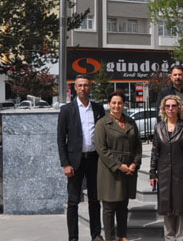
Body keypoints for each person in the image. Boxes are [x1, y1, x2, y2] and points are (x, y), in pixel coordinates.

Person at [57, 74, 106, 241]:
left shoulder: (98, 109)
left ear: (90, 87)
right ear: (75, 88)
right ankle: (73, 237)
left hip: (94, 160)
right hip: (74, 162)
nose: (83, 88)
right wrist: (65, 163)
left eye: (86, 85)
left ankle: (96, 234)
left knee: (95, 200)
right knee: (73, 202)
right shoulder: (66, 110)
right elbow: (60, 138)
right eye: (80, 85)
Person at [149, 95, 183, 241]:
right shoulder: (159, 127)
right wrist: (152, 173)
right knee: (167, 208)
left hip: (182, 173)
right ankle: (169, 238)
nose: (171, 109)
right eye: (168, 106)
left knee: (181, 208)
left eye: (174, 106)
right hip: (164, 173)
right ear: (163, 109)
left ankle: (181, 237)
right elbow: (154, 152)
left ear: (179, 108)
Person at [95, 90, 143, 241]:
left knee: (123, 205)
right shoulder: (102, 123)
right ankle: (110, 237)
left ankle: (123, 236)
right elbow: (101, 149)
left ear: (124, 105)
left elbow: (137, 145)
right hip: (110, 170)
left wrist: (135, 163)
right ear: (109, 104)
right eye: (113, 103)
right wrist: (118, 165)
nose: (116, 106)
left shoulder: (130, 122)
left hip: (128, 169)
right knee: (109, 207)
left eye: (119, 103)